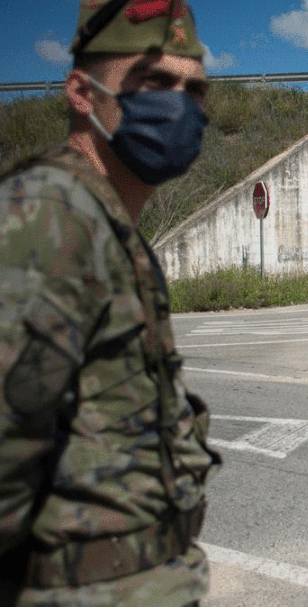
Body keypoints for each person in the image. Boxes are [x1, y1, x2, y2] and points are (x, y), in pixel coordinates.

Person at [0, 2, 221, 606]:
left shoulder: (109, 226)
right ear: (81, 91)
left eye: (195, 90)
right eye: (155, 82)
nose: (181, 105)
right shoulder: (49, 217)